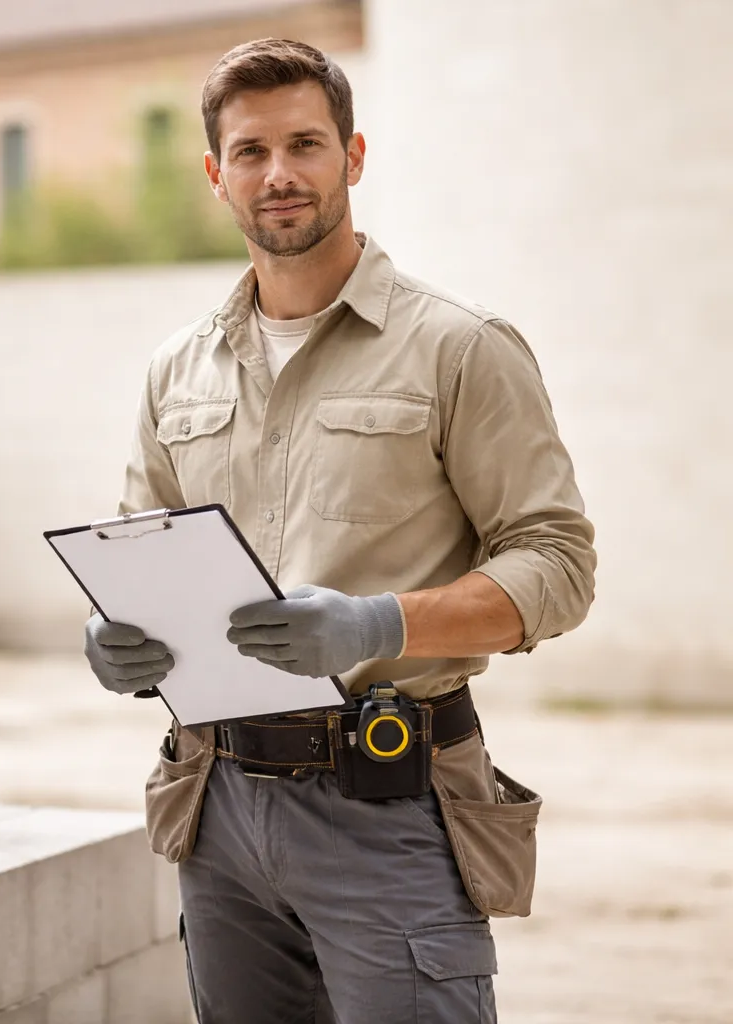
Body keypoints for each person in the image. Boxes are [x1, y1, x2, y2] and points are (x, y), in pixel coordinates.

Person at [81, 37, 596, 1024]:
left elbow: (559, 563)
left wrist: (379, 625)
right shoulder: (175, 371)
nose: (279, 174)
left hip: (388, 800)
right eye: (250, 152)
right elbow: (138, 548)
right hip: (216, 807)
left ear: (353, 157)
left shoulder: (458, 346)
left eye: (306, 144)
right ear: (215, 175)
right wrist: (119, 641)